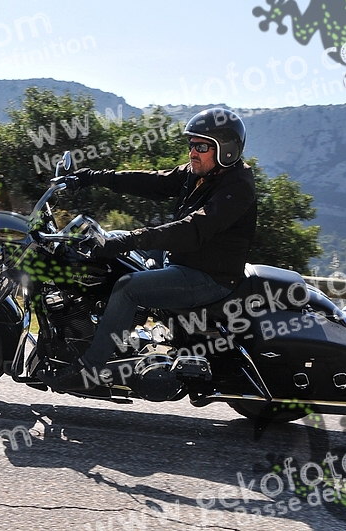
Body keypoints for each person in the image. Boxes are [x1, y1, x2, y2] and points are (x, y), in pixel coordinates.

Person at [37, 108, 257, 392]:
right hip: (184, 261)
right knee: (111, 243)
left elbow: (191, 230)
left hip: (209, 276)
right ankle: (95, 331)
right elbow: (152, 181)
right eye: (191, 145)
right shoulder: (200, 173)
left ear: (226, 150)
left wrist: (130, 240)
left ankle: (89, 370)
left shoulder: (237, 187)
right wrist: (91, 177)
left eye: (201, 147)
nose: (192, 152)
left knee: (128, 287)